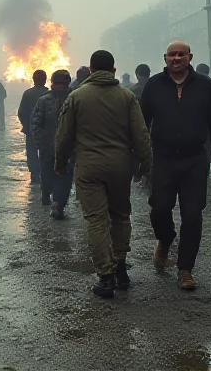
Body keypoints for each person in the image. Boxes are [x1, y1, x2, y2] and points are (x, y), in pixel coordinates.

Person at [56, 52, 152, 297]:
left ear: (90, 69)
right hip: (120, 166)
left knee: (96, 220)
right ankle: (121, 268)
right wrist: (145, 166)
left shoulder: (76, 97)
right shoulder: (127, 96)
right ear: (114, 69)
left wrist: (59, 162)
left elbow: (64, 135)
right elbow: (141, 135)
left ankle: (105, 276)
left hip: (88, 167)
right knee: (120, 216)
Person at [140, 41, 211, 291]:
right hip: (163, 158)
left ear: (190, 56)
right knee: (159, 209)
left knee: (192, 214)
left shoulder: (205, 86)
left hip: (194, 159)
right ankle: (165, 239)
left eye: (181, 55)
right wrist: (141, 160)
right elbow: (142, 123)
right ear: (164, 58)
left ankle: (185, 269)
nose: (176, 59)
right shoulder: (154, 86)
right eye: (171, 55)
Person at [31, 70, 74, 214]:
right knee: (47, 174)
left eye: (64, 84)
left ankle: (58, 204)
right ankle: (46, 195)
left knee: (65, 178)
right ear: (52, 84)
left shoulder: (74, 99)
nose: (61, 87)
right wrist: (39, 144)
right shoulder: (44, 100)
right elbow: (35, 123)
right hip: (47, 147)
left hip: (68, 149)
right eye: (58, 84)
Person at [18, 70, 49, 184]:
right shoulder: (49, 94)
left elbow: (21, 112)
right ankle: (44, 174)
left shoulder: (27, 93)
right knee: (46, 152)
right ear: (45, 80)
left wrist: (26, 125)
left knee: (31, 153)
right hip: (47, 131)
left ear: (33, 79)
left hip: (31, 130)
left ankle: (34, 175)